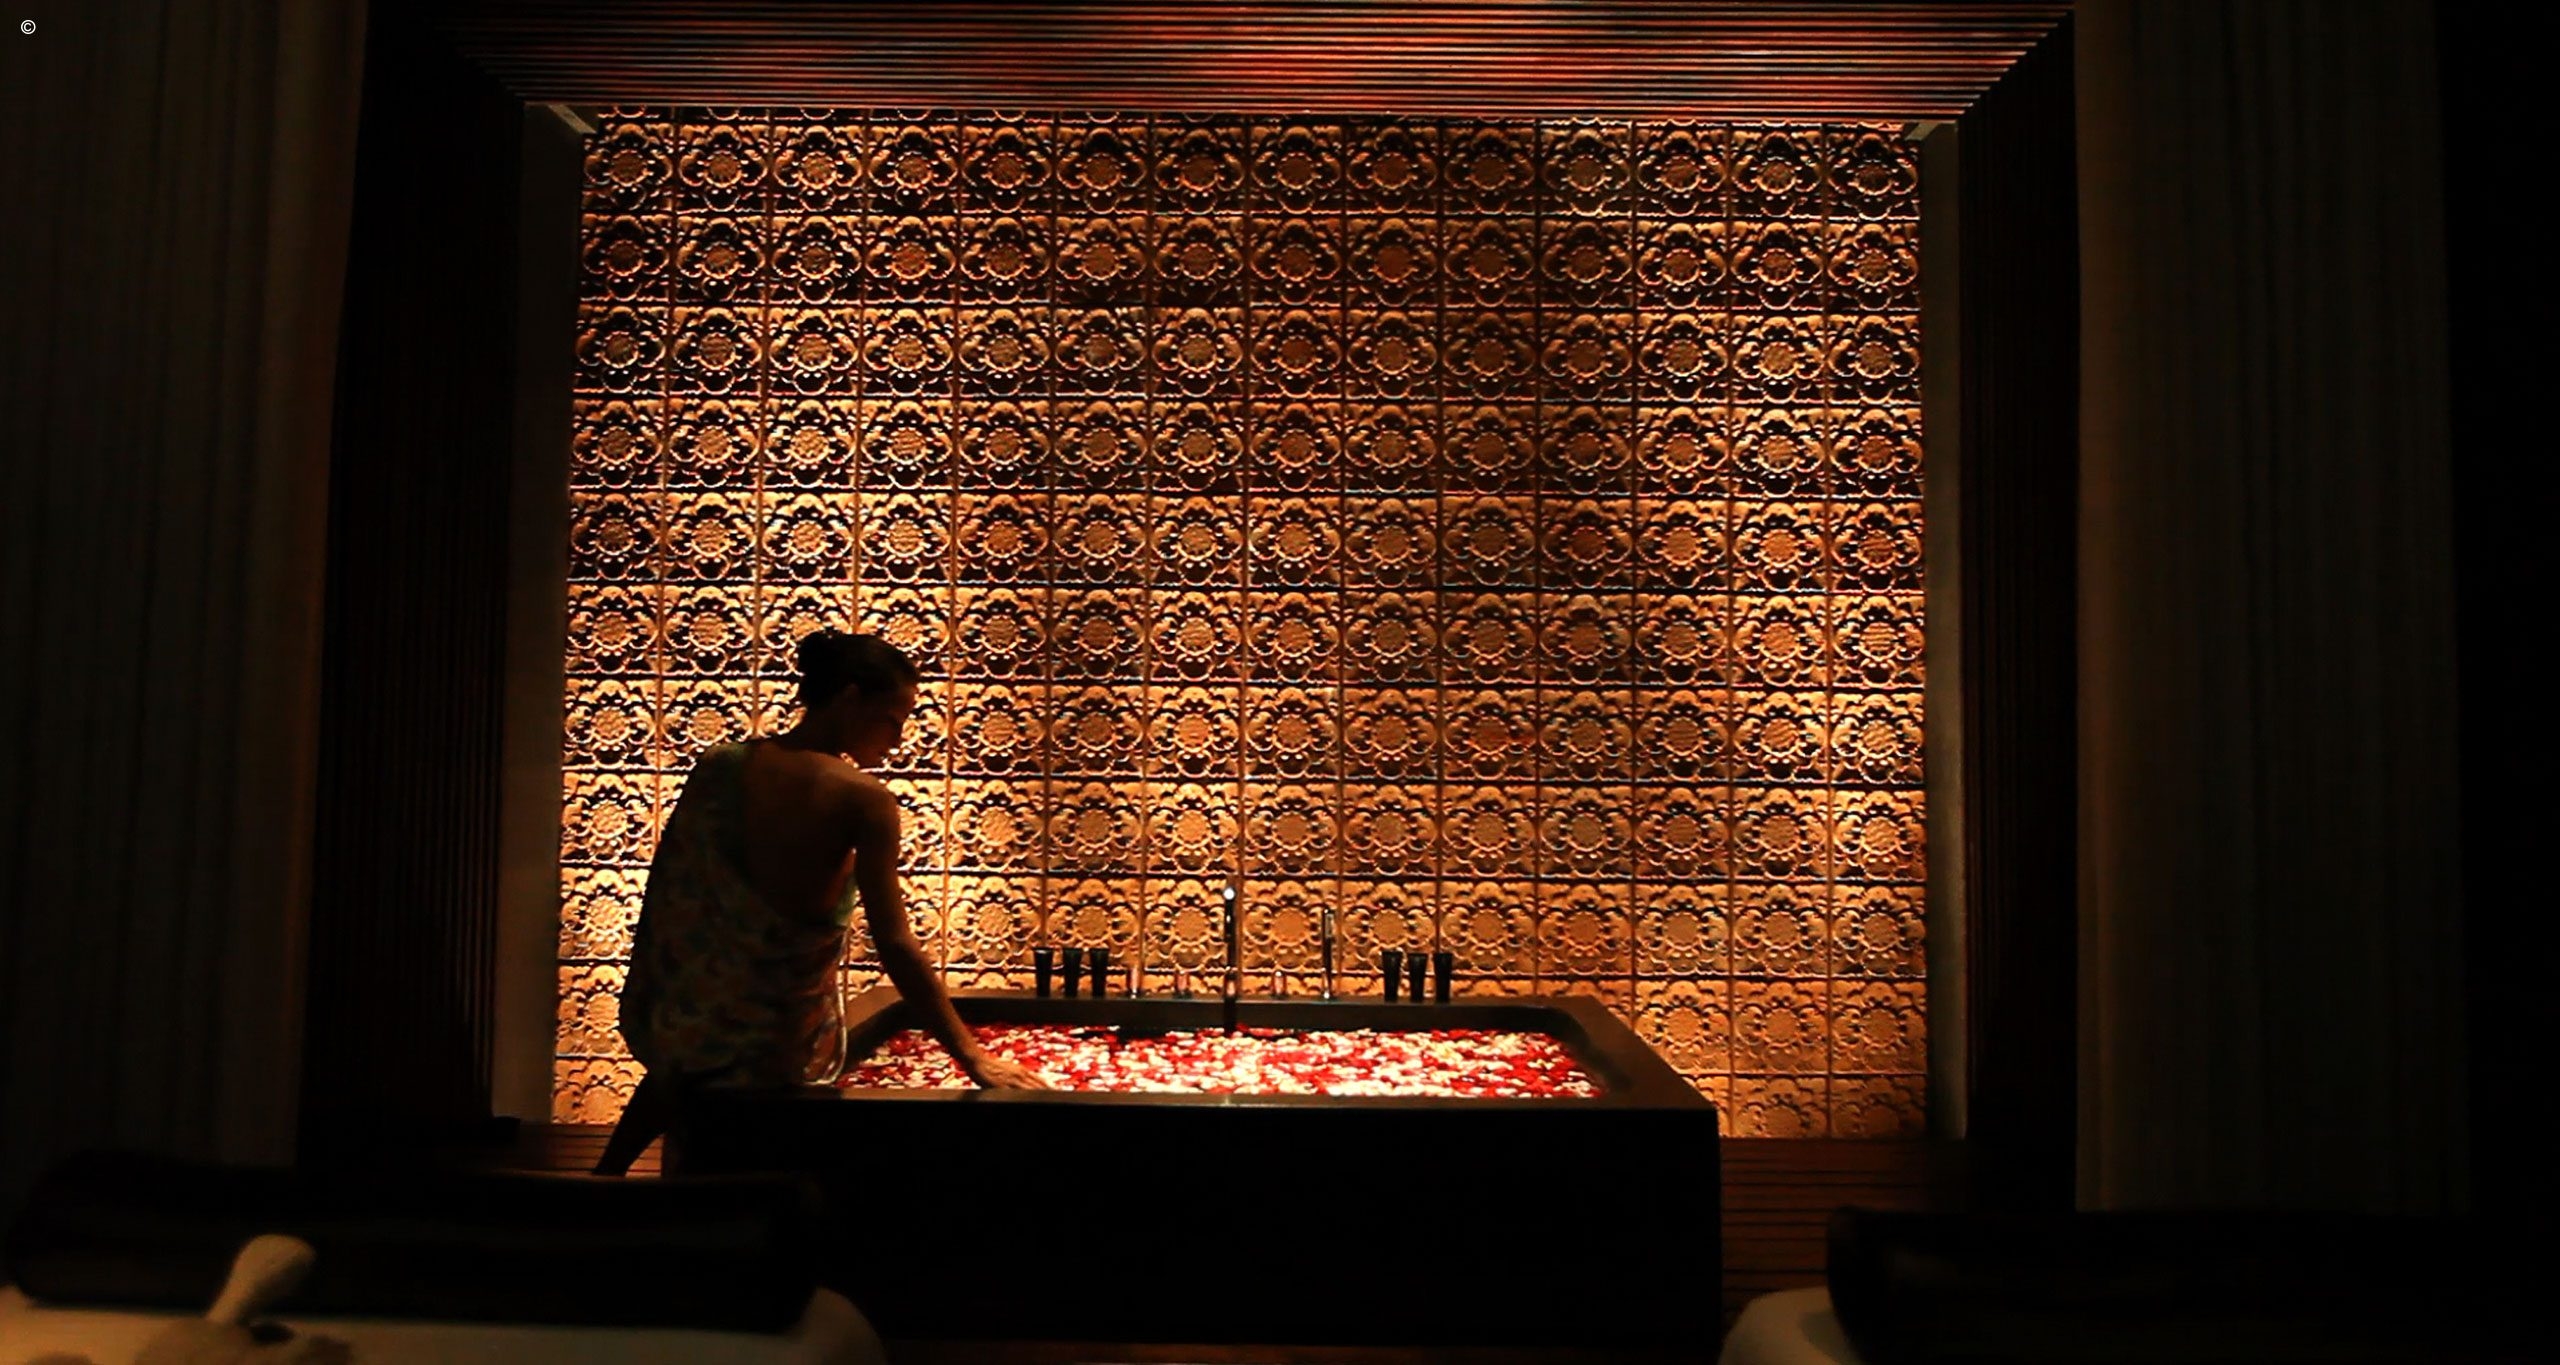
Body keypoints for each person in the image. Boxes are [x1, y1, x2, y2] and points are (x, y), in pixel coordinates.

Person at [594, 629, 1046, 1176]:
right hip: (778, 1039)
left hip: (695, 1016)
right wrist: (970, 1052)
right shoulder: (863, 799)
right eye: (892, 719)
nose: (898, 739)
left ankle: (607, 1181)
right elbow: (895, 942)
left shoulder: (721, 766)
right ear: (850, 698)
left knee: (691, 1089)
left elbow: (674, 897)